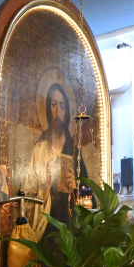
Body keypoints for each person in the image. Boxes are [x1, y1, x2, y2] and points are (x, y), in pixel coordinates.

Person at [27, 81, 87, 238]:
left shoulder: (74, 152)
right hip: (46, 228)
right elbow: (28, 195)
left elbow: (89, 195)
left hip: (70, 230)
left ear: (66, 111)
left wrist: (75, 188)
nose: (58, 111)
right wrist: (46, 186)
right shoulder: (40, 148)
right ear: (48, 109)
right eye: (53, 105)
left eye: (62, 105)